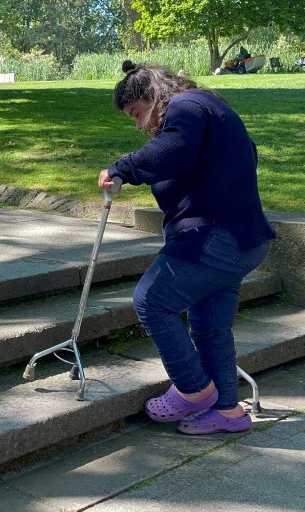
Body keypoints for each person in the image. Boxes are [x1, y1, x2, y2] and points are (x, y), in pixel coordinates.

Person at [98, 60, 276, 434]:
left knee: (151, 300)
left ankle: (194, 391)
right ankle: (228, 412)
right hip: (242, 240)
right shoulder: (210, 109)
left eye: (137, 113)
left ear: (153, 96)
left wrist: (121, 169)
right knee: (211, 327)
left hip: (211, 239)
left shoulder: (186, 108)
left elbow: (174, 150)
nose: (139, 125)